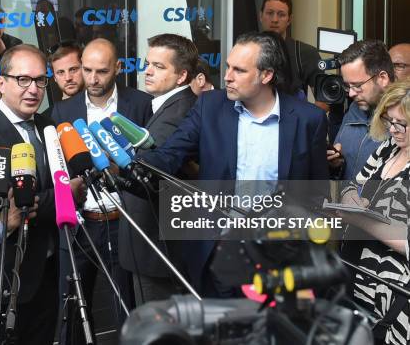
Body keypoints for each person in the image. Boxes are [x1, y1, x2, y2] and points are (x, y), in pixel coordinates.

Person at [140, 31, 329, 296]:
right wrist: (132, 164)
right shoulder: (210, 106)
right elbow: (170, 153)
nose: (227, 76)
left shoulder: (308, 120)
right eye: (228, 66)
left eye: (239, 70)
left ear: (266, 75)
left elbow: (316, 195)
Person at [0, 44, 87, 345]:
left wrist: (59, 194)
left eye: (40, 80)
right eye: (23, 80)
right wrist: (63, 195)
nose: (33, 89)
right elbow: (9, 204)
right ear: (0, 82)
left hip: (44, 278)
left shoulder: (49, 126)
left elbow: (73, 183)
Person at [50, 37, 152, 343]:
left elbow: (151, 161)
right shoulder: (61, 111)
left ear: (118, 68)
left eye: (102, 72)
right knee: (71, 307)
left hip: (123, 222)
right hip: (80, 225)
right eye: (87, 70)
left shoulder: (141, 104)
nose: (92, 79)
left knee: (127, 306)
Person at [120, 33, 198, 304]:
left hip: (159, 248)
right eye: (147, 63)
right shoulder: (168, 106)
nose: (148, 71)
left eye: (159, 66)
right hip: (151, 245)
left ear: (181, 76)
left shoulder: (178, 114)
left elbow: (148, 174)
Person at [337, 80, 410, 344]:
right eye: (389, 120)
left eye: (401, 124)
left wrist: (362, 220)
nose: (393, 130)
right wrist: (350, 198)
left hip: (394, 297)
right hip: (356, 278)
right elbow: (353, 184)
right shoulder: (387, 149)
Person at [327, 40, 396, 181]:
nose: (351, 94)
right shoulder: (354, 108)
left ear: (382, 78)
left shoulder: (403, 120)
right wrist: (336, 164)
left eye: (358, 85)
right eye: (347, 86)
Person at [259, 0, 322, 94]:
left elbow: (323, 100)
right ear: (261, 16)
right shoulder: (247, 51)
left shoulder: (306, 53)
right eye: (270, 13)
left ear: (289, 20)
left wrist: (302, 110)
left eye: (281, 15)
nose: (275, 20)